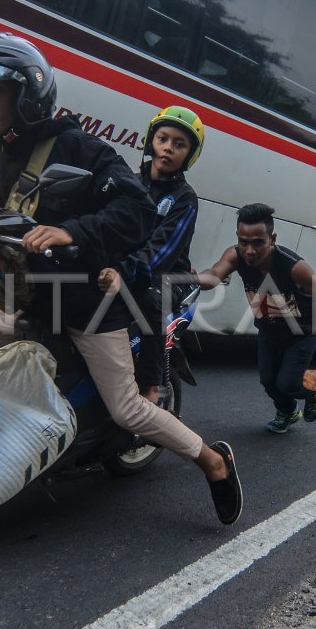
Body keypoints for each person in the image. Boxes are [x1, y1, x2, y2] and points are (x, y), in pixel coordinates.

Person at [0, 32, 242, 526]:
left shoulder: (78, 147)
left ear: (25, 94)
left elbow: (136, 212)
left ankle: (213, 462)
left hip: (84, 302)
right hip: (20, 293)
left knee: (127, 410)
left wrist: (71, 232)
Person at [197, 203, 316, 434]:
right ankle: (288, 411)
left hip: (303, 332)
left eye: (258, 242)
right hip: (269, 331)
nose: (249, 250)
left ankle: (314, 392)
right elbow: (215, 274)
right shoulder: (235, 255)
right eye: (243, 241)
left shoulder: (295, 268)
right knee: (268, 380)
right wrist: (194, 278)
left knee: (287, 383)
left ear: (272, 238)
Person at [97, 106, 205, 405]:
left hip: (167, 275)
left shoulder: (185, 199)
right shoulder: (128, 181)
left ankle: (149, 388)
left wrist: (124, 270)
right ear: (150, 141)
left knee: (150, 299)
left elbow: (163, 250)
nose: (169, 148)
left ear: (189, 155)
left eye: (179, 144)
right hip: (125, 267)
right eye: (163, 139)